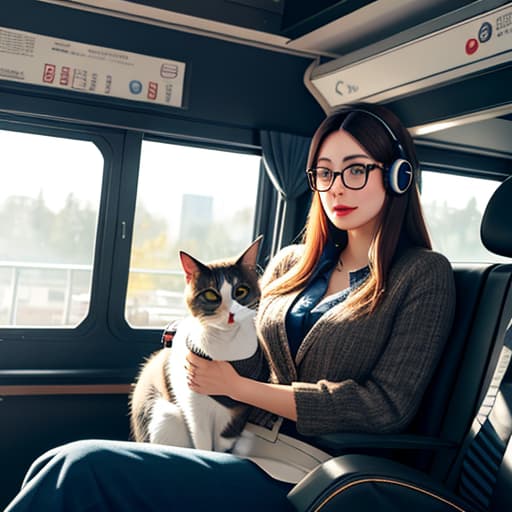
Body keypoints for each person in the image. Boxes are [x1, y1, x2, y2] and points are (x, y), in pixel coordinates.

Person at [4, 103, 456, 511]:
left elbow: (385, 407)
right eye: (324, 172)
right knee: (54, 463)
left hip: (312, 471)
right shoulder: (291, 264)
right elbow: (247, 350)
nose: (336, 187)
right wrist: (196, 341)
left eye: (355, 170)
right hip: (236, 443)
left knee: (80, 468)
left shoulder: (421, 274)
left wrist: (238, 388)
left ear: (398, 175)